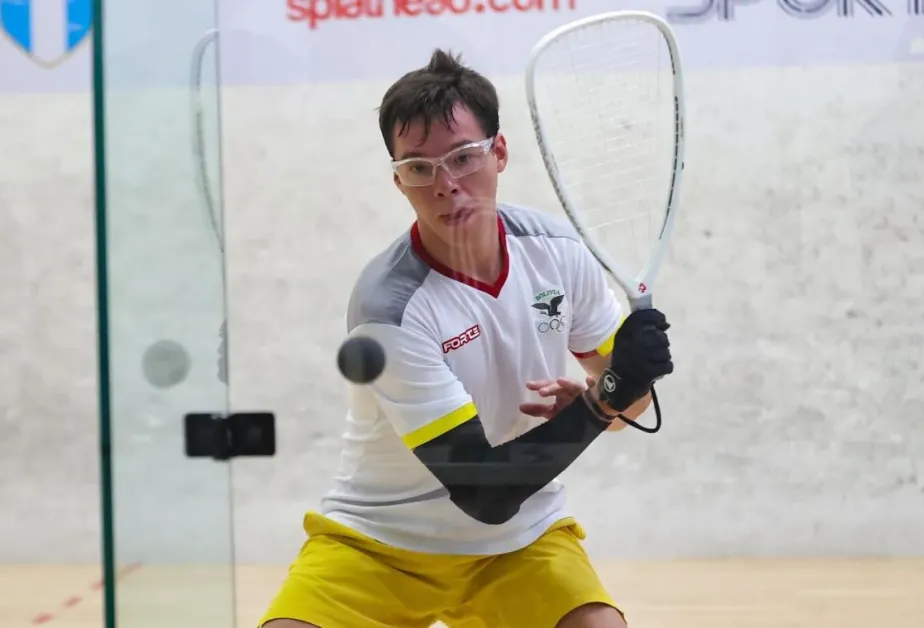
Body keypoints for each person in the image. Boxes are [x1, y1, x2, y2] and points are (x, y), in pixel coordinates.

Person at [259, 49, 674, 628]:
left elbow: (631, 401)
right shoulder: (389, 308)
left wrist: (611, 390)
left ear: (499, 153)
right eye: (419, 168)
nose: (446, 185)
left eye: (464, 157)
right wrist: (596, 403)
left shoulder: (557, 253)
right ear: (399, 180)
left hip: (519, 543)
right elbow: (483, 492)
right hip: (379, 542)